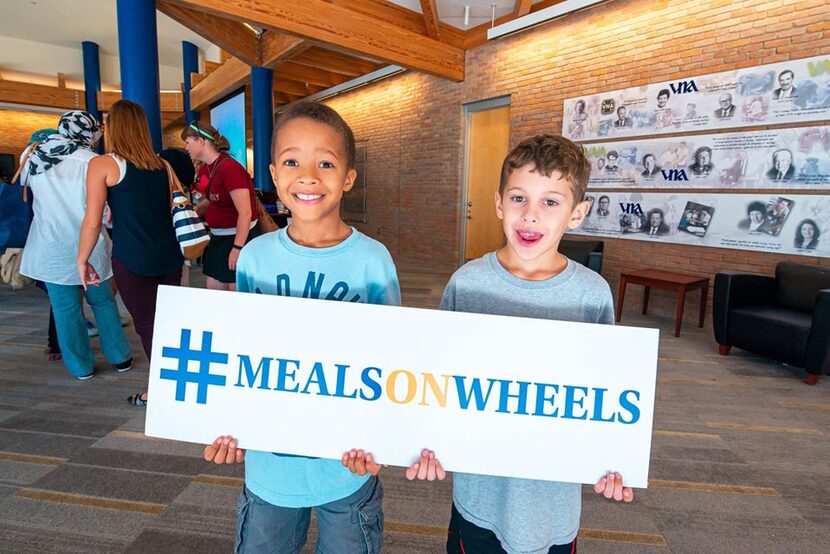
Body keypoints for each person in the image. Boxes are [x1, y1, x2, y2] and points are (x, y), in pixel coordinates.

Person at [203, 102, 415, 554]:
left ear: (348, 178)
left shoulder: (372, 261)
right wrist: (226, 420)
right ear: (274, 175)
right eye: (293, 162)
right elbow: (240, 354)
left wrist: (382, 436)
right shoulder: (257, 258)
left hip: (347, 466)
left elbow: (394, 359)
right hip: (268, 467)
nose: (309, 176)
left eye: (326, 163)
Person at [420, 134, 632, 554]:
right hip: (480, 495)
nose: (530, 215)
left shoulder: (593, 295)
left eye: (550, 202)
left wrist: (614, 457)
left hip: (551, 502)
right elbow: (434, 379)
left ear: (577, 213)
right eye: (519, 198)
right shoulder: (467, 283)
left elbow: (609, 392)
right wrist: (425, 439)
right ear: (499, 203)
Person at [78, 100, 183, 405]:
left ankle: (163, 392)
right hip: (169, 256)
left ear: (114, 128)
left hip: (133, 256)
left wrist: (82, 259)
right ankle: (174, 382)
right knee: (167, 321)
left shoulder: (103, 164)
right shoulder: (162, 165)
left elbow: (92, 219)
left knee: (148, 326)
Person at [19, 112, 132, 380]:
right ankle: (119, 356)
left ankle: (80, 366)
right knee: (103, 301)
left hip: (50, 245)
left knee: (65, 309)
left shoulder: (33, 158)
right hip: (89, 243)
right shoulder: (92, 161)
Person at [182, 121, 260, 291]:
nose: (186, 148)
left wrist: (237, 248)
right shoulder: (207, 168)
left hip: (236, 238)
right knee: (215, 291)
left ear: (201, 141)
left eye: (188, 142)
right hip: (218, 238)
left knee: (236, 291)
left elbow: (245, 212)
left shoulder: (230, 168)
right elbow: (216, 198)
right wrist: (195, 211)